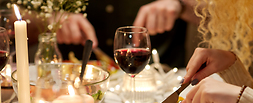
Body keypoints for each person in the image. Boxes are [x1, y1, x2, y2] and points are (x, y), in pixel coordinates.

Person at [56, 0, 200, 68]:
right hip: (73, 82)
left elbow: (219, 16)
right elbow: (33, 19)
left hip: (162, 84)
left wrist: (181, 5)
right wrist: (53, 19)